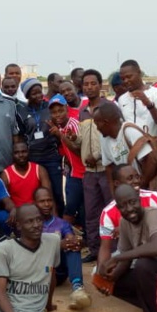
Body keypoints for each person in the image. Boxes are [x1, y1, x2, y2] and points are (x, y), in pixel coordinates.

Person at [95, 164, 157, 273]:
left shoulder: (153, 198)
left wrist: (124, 229)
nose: (136, 181)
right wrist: (100, 273)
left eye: (137, 177)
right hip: (129, 252)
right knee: (101, 271)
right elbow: (105, 248)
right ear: (117, 183)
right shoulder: (108, 212)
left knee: (141, 265)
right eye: (130, 178)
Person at [33, 187, 91, 310]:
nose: (47, 204)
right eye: (42, 201)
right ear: (34, 203)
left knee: (72, 246)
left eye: (49, 200)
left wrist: (75, 241)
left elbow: (70, 239)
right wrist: (58, 244)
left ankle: (78, 289)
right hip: (39, 273)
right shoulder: (31, 223)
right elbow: (30, 248)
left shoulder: (61, 223)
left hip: (58, 272)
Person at [79, 69, 112, 262]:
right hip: (89, 171)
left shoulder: (109, 107)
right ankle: (94, 249)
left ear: (100, 85)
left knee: (111, 210)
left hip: (107, 169)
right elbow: (80, 142)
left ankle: (114, 249)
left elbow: (115, 137)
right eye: (86, 84)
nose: (89, 87)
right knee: (91, 212)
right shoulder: (82, 112)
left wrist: (99, 156)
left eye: (93, 83)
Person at [20, 77, 65, 215]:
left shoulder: (49, 107)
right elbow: (22, 134)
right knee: (37, 192)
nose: (39, 96)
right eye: (34, 93)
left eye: (40, 92)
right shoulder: (22, 111)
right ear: (27, 95)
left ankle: (59, 220)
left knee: (57, 191)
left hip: (51, 156)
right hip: (33, 157)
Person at [93, 102, 157, 189]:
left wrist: (142, 185)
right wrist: (114, 193)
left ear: (106, 122)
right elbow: (109, 167)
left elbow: (152, 161)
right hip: (127, 188)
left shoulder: (130, 131)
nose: (97, 128)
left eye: (97, 124)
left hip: (146, 184)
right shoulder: (104, 138)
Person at [48, 94, 85, 226]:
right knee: (77, 207)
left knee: (71, 208)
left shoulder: (73, 124)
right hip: (73, 172)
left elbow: (80, 152)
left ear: (67, 109)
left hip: (81, 173)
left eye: (60, 111)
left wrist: (60, 136)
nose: (57, 115)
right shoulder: (59, 127)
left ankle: (65, 236)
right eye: (53, 112)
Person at [117, 59, 157, 135]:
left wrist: (148, 104)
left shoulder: (156, 93)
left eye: (129, 77)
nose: (125, 81)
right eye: (123, 79)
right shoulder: (122, 99)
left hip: (153, 145)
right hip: (131, 146)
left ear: (139, 73)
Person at [1, 141, 52, 208]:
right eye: (17, 153)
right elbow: (5, 200)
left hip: (37, 210)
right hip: (17, 212)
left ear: (28, 152)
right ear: (12, 155)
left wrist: (54, 217)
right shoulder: (5, 174)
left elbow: (48, 195)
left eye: (24, 152)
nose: (21, 155)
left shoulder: (39, 169)